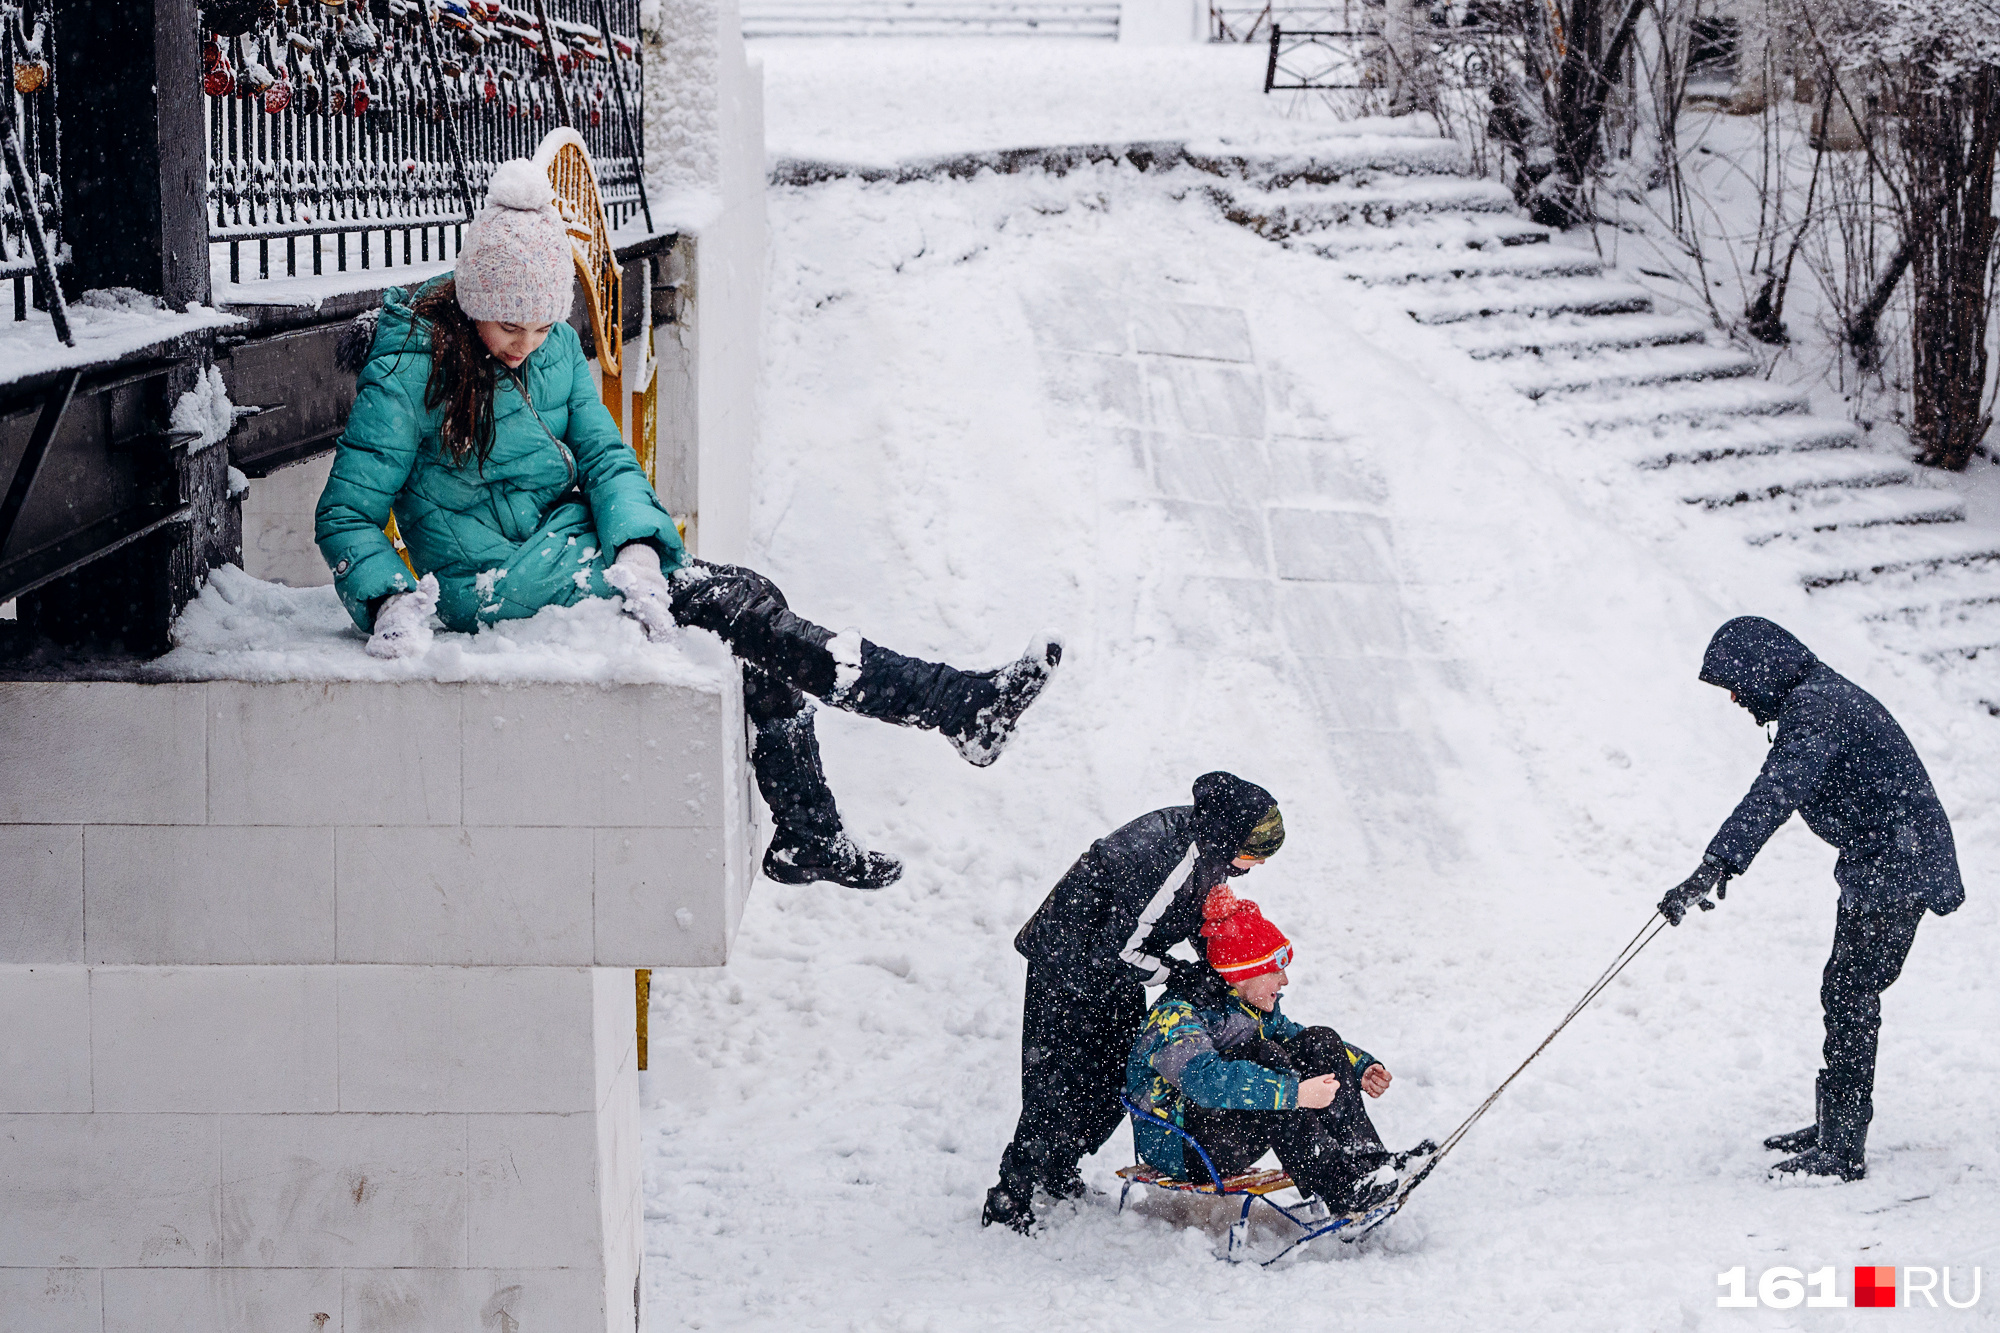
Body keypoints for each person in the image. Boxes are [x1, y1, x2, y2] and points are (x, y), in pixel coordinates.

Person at [316, 160, 1060, 891]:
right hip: (493, 584)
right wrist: (386, 601)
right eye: (512, 326)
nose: (528, 342)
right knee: (735, 607)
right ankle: (948, 709)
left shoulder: (557, 351)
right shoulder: (410, 367)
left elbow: (606, 457)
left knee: (751, 594)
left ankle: (813, 830)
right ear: (476, 297)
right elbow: (345, 513)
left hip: (569, 546)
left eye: (544, 324)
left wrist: (638, 545)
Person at [1659, 616, 1963, 1182]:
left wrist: (1717, 863)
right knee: (1844, 989)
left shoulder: (1817, 708)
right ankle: (1832, 1128)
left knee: (1850, 995)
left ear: (1760, 670)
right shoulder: (1815, 697)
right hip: (1884, 862)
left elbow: (1778, 787)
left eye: (1734, 683)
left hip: (1900, 864)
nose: (1733, 698)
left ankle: (1842, 1149)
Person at [982, 771, 1286, 1232]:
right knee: (1059, 1082)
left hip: (1109, 972)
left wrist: (1227, 968)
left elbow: (1190, 917)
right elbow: (1119, 948)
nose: (1254, 865)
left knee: (1109, 1082)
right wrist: (1182, 974)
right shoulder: (1172, 857)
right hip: (1068, 965)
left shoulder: (1208, 850)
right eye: (1252, 854)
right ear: (1228, 837)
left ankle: (1059, 1171)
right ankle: (1012, 1194)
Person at [1125, 885, 1422, 1215]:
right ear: (1241, 973)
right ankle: (1339, 1188)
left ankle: (1368, 1164)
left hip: (1230, 1127)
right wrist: (1294, 1093)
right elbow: (1204, 1081)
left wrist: (1360, 1067)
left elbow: (1300, 1038)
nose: (1284, 981)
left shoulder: (1249, 1008)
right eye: (1274, 971)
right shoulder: (1178, 1014)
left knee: (1319, 1041)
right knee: (1266, 1057)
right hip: (1184, 1145)